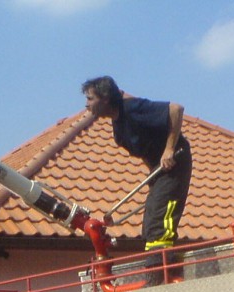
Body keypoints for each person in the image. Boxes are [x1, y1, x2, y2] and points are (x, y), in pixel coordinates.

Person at [82, 76, 192, 275]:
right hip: (159, 171)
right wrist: (153, 175)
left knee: (160, 222)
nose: (86, 104)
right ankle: (167, 268)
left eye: (90, 99)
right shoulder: (118, 126)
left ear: (105, 98)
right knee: (150, 224)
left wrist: (169, 150)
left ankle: (160, 274)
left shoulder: (132, 108)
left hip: (175, 162)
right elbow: (145, 150)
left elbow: (176, 109)